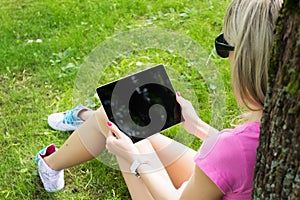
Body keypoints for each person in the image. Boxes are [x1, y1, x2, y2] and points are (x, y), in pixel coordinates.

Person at [35, 0, 283, 199]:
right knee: (120, 118)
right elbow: (243, 156)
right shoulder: (282, 126)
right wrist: (197, 126)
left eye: (225, 46)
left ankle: (56, 155)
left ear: (246, 61)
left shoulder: (229, 149)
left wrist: (134, 160)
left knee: (115, 121)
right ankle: (80, 127)